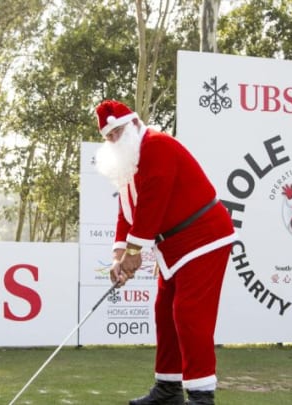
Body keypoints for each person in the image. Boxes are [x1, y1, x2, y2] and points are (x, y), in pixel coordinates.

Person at [93, 99, 236, 405]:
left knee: (189, 313)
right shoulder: (129, 164)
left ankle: (200, 396)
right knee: (164, 311)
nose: (115, 139)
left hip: (204, 237)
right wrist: (119, 255)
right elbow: (127, 212)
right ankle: (168, 390)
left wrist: (134, 251)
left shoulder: (157, 146)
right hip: (172, 246)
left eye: (118, 131)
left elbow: (152, 204)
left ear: (132, 124)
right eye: (109, 136)